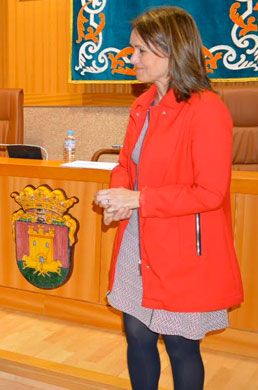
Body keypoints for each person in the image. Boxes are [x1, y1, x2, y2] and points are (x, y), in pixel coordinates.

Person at [94, 7, 243, 390]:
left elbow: (210, 192)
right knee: (137, 335)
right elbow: (126, 163)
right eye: (132, 50)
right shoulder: (142, 104)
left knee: (180, 346)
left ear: (171, 50)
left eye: (140, 51)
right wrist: (116, 194)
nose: (132, 59)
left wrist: (138, 199)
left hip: (184, 247)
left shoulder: (207, 109)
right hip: (138, 238)